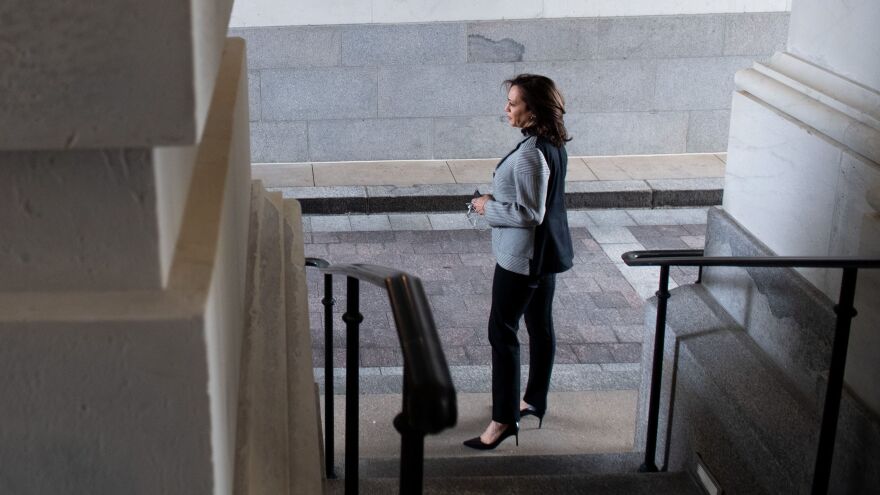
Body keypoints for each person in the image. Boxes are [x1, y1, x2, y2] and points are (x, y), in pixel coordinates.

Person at [464, 74, 574, 450]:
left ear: (534, 109)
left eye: (513, 103)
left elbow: (530, 213)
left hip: (522, 259)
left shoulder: (531, 153)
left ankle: (503, 420)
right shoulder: (553, 145)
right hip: (546, 255)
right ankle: (534, 400)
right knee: (540, 328)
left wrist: (486, 206)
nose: (506, 109)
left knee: (502, 332)